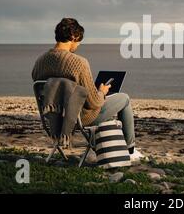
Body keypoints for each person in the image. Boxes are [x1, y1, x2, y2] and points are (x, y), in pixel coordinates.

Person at [31, 18, 144, 163]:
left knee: (106, 108)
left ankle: (96, 149)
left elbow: (44, 85)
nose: (78, 45)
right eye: (78, 41)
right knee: (124, 98)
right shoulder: (79, 62)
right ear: (73, 36)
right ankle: (130, 149)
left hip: (53, 116)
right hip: (79, 117)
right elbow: (93, 102)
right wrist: (102, 91)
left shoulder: (40, 61)